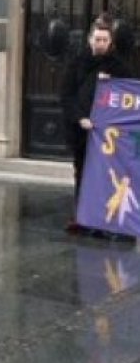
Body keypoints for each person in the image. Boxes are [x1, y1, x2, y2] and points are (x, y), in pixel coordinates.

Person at [61, 16, 133, 233]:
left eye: (104, 40)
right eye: (97, 39)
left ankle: (104, 221)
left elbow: (127, 97)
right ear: (89, 39)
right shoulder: (76, 63)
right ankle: (82, 217)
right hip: (81, 131)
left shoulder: (119, 66)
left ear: (110, 42)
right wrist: (80, 118)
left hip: (107, 135)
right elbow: (66, 95)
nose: (100, 43)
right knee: (82, 173)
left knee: (105, 175)